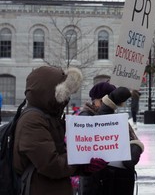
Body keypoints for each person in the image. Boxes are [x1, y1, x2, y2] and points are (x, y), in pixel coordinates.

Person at [13, 66, 108, 195]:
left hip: (53, 187)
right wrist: (82, 161)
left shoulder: (50, 116)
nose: (66, 99)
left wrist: (85, 164)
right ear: (49, 92)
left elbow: (62, 155)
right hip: (40, 189)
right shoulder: (32, 120)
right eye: (64, 93)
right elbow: (51, 164)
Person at [79, 82, 144, 195]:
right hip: (98, 182)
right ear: (96, 100)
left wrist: (135, 147)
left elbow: (129, 138)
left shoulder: (116, 118)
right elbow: (95, 131)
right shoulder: (85, 117)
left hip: (118, 179)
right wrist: (107, 107)